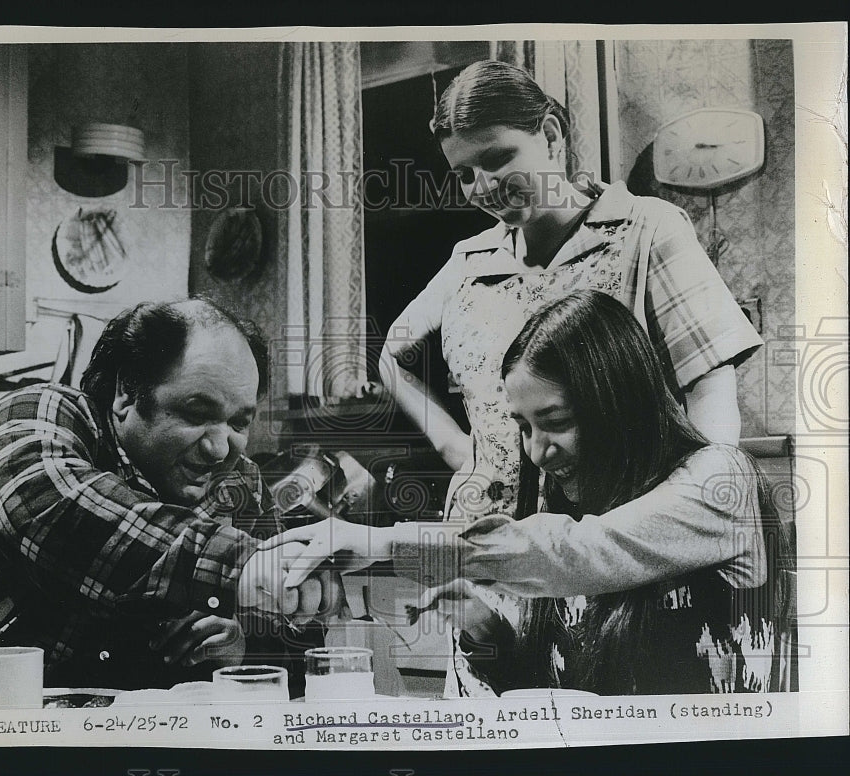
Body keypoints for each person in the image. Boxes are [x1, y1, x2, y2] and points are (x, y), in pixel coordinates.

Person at [377, 59, 763, 694]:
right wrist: (461, 451)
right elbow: (392, 356)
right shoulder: (469, 260)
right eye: (464, 173)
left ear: (552, 134)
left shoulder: (645, 230)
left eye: (498, 159)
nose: (482, 186)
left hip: (606, 547)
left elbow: (710, 394)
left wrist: (699, 511)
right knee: (492, 712)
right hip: (487, 551)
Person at [267, 290, 787, 695]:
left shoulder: (722, 481)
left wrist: (384, 543)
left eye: (556, 421)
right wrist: (487, 635)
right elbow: (552, 706)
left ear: (621, 408)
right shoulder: (564, 507)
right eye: (523, 426)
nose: (537, 452)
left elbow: (582, 550)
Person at [0, 298, 337, 710]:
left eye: (239, 422)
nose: (219, 447)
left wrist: (240, 648)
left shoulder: (238, 482)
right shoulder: (39, 414)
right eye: (196, 413)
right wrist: (247, 567)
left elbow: (300, 654)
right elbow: (55, 511)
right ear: (126, 392)